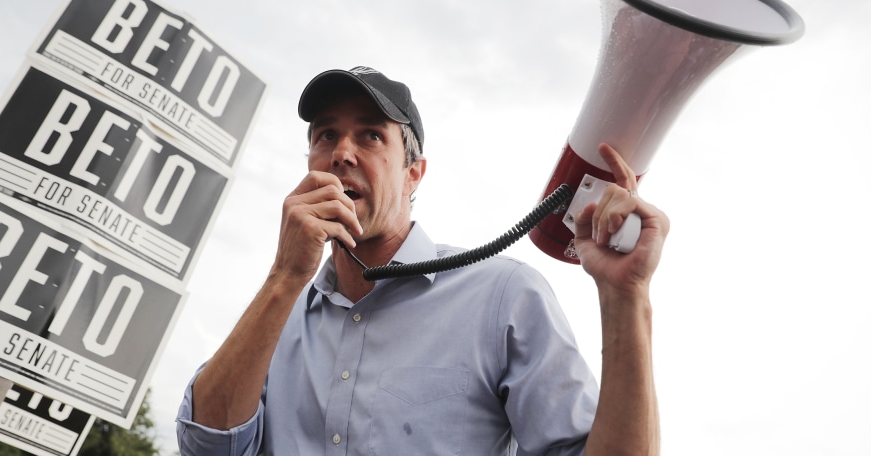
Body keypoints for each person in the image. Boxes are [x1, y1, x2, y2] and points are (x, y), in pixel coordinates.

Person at [176, 66, 669, 455]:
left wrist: (627, 297)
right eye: (325, 135)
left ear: (414, 174)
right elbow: (204, 446)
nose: (342, 152)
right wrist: (284, 277)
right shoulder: (276, 314)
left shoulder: (502, 296)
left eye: (371, 135)